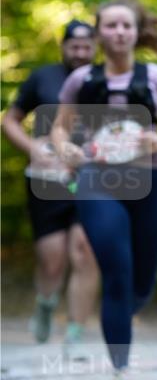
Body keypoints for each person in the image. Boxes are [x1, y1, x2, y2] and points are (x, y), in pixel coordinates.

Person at [52, 0, 157, 380]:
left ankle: (123, 315)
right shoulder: (81, 81)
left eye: (125, 26)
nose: (118, 33)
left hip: (149, 180)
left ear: (136, 32)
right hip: (97, 180)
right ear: (98, 34)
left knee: (141, 283)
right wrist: (67, 151)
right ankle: (121, 376)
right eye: (110, 26)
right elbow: (60, 130)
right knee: (117, 269)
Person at [2, 20, 99, 349]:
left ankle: (75, 333)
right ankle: (45, 305)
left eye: (87, 47)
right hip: (48, 179)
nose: (81, 52)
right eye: (75, 46)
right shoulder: (42, 77)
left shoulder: (105, 79)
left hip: (92, 177)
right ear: (63, 47)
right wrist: (32, 149)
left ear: (95, 48)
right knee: (52, 258)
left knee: (85, 251)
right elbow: (10, 119)